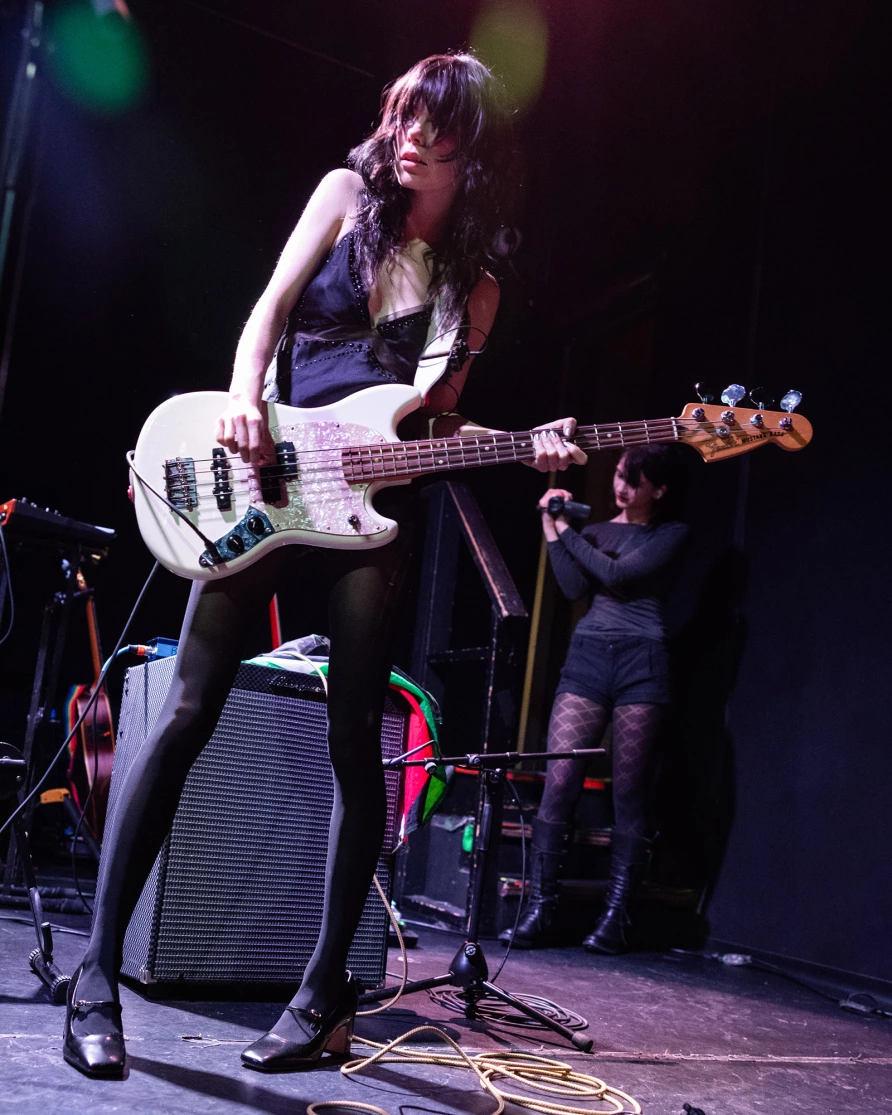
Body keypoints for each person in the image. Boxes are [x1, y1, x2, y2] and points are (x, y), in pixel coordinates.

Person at [63, 52, 585, 1077]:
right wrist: (241, 393)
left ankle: (322, 996)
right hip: (265, 473)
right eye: (398, 115)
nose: (406, 136)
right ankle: (93, 976)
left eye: (429, 125)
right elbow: (265, 308)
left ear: (468, 148)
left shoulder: (471, 284)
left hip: (374, 506)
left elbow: (434, 419)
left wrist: (531, 441)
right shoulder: (346, 196)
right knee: (188, 708)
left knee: (356, 732)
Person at [501, 444, 688, 954]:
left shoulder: (670, 534)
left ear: (659, 489)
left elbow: (618, 577)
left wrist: (565, 531)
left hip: (641, 663)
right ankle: (541, 908)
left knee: (628, 791)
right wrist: (550, 529)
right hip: (588, 657)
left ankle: (616, 916)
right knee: (559, 780)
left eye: (632, 479)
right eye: (620, 475)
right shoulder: (597, 532)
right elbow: (572, 586)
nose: (620, 486)